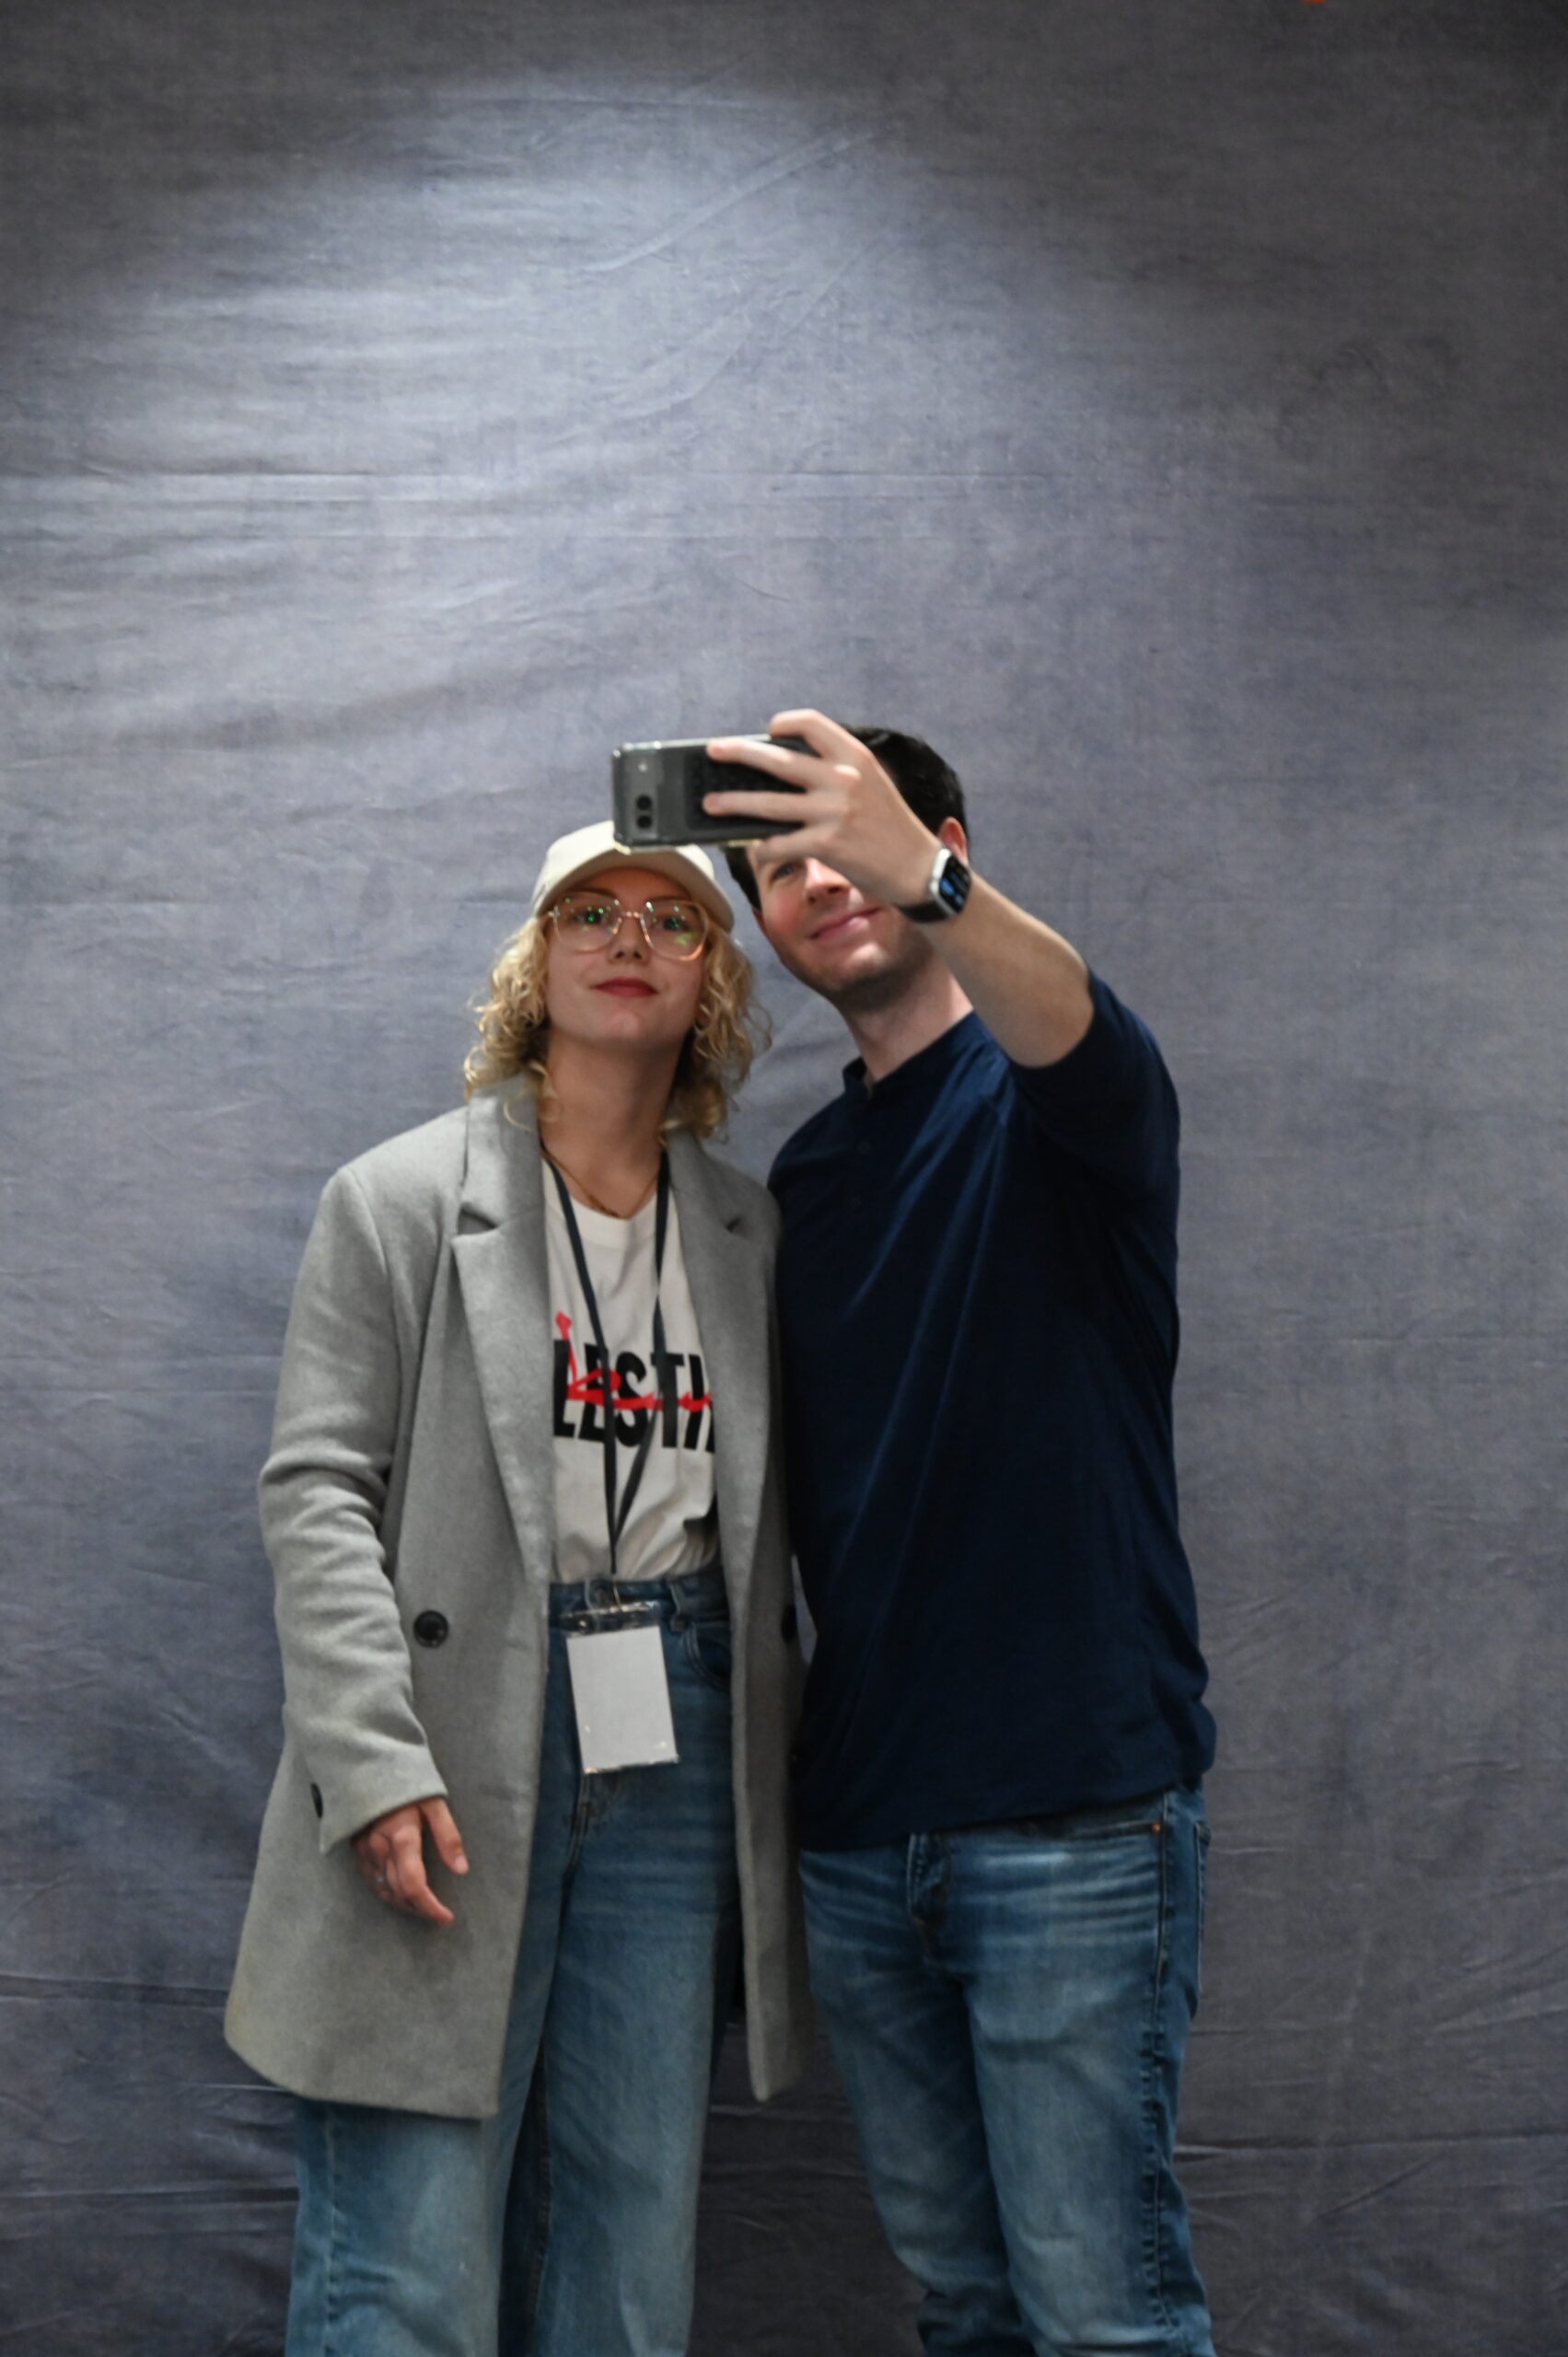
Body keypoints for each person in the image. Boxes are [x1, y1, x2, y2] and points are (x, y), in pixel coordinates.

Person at [225, 821, 811, 2357]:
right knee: (411, 2246)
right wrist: (371, 1760)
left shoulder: (748, 1232)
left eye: (673, 921)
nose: (628, 940)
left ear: (712, 981)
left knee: (630, 2240)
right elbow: (315, 1492)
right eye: (589, 912)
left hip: (675, 1731)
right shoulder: (399, 1200)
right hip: (453, 1724)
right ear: (534, 962)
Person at [707, 713, 1218, 2357]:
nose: (817, 883)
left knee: (1106, 2317)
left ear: (947, 848)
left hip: (1073, 1817)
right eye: (779, 871)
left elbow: (1063, 1013)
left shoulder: (1063, 1095)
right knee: (970, 2309)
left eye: (843, 843)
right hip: (866, 1841)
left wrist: (916, 876)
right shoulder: (805, 1182)